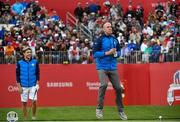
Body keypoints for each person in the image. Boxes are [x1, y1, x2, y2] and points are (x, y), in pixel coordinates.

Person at [93, 22, 127, 120]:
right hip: (102, 67)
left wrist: (116, 54)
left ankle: (121, 111)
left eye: (110, 27)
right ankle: (99, 109)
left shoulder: (115, 39)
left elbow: (119, 52)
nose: (110, 28)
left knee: (118, 88)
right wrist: (108, 53)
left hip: (113, 67)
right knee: (103, 85)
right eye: (108, 27)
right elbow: (94, 54)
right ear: (104, 29)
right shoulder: (100, 40)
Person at [16, 46, 40, 120]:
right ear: (24, 53)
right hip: (23, 86)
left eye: (30, 52)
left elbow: (38, 73)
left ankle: (33, 116)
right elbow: (17, 75)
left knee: (34, 102)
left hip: (33, 85)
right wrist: (19, 87)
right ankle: (25, 117)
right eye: (27, 52)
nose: (29, 53)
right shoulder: (19, 63)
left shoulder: (35, 62)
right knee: (24, 103)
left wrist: (37, 84)